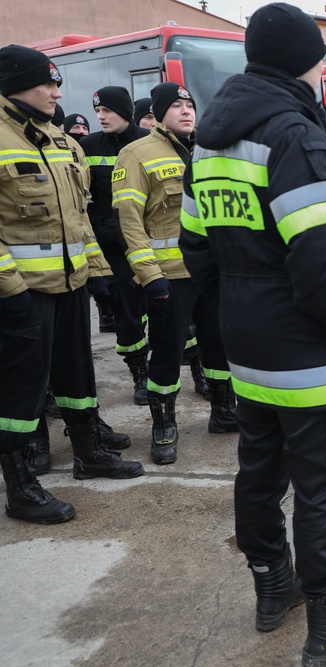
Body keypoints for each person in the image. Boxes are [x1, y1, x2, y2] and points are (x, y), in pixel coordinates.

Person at [178, 4, 326, 664]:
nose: (325, 69)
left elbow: (197, 247)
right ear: (299, 61)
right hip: (307, 354)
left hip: (246, 347)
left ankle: (273, 587)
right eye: (321, 57)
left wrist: (242, 307)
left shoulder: (213, 137)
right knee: (324, 485)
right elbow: (321, 260)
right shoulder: (295, 137)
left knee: (258, 472)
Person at [1, 45, 145, 525]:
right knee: (21, 392)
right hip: (21, 294)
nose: (56, 91)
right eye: (47, 82)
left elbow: (80, 220)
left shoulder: (63, 142)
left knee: (77, 376)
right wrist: (11, 290)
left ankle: (89, 453)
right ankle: (20, 487)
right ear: (15, 83)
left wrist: (101, 277)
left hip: (71, 286)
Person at [113, 81, 236, 465]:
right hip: (170, 276)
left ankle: (223, 412)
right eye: (177, 105)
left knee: (219, 347)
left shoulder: (207, 150)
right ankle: (163, 426)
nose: (187, 111)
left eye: (190, 105)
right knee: (167, 354)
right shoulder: (136, 153)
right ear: (159, 111)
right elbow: (130, 223)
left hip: (211, 274)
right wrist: (150, 275)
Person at [79, 86, 152, 404]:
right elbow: (84, 199)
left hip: (152, 243)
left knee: (168, 310)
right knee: (127, 314)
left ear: (124, 109)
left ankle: (189, 369)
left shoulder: (149, 144)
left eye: (107, 110)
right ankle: (140, 374)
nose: (100, 116)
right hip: (114, 249)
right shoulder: (89, 146)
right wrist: (104, 230)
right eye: (98, 111)